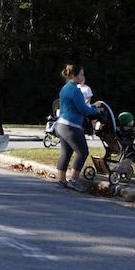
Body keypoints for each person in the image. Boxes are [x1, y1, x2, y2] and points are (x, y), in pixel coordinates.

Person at [54, 64, 103, 192]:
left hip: (61, 124)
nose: (83, 77)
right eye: (80, 74)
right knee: (83, 152)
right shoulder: (75, 90)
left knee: (66, 153)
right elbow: (82, 108)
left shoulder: (65, 88)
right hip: (71, 125)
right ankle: (74, 180)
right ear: (73, 76)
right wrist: (95, 110)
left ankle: (61, 180)